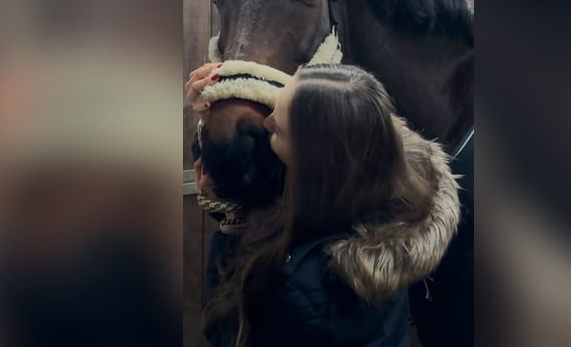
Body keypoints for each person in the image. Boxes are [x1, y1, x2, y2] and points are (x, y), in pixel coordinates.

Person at [186, 62, 461, 347]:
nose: (265, 125)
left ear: (312, 162)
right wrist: (209, 122)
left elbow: (228, 334)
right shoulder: (382, 191)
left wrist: (231, 224)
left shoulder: (302, 287)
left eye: (277, 129)